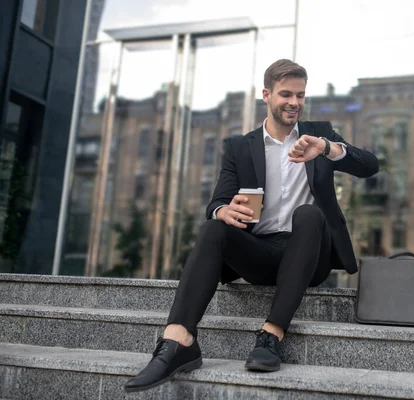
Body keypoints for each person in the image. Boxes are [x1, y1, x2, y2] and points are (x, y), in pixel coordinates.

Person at [124, 59, 379, 392]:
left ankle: (270, 337)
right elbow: (216, 201)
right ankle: (178, 341)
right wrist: (223, 211)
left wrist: (328, 149)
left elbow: (370, 166)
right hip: (261, 252)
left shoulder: (321, 134)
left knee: (309, 213)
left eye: (300, 95)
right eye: (286, 94)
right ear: (267, 95)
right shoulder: (240, 147)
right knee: (214, 227)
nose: (294, 103)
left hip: (309, 253)